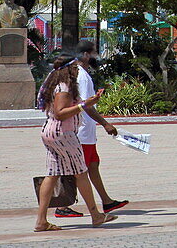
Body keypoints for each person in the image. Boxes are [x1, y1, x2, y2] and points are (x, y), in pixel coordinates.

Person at [35, 55, 118, 232]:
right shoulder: (64, 87)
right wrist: (82, 106)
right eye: (74, 67)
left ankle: (41, 221)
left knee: (52, 174)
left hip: (51, 132)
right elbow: (60, 113)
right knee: (81, 173)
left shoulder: (57, 85)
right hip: (62, 134)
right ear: (69, 70)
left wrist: (90, 102)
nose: (77, 69)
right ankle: (96, 215)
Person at [55, 40, 129, 219]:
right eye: (95, 52)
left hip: (86, 131)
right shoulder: (81, 75)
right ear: (86, 55)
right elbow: (86, 105)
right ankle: (64, 206)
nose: (97, 56)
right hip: (81, 131)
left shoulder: (81, 74)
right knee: (77, 170)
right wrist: (105, 123)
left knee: (93, 164)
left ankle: (106, 201)